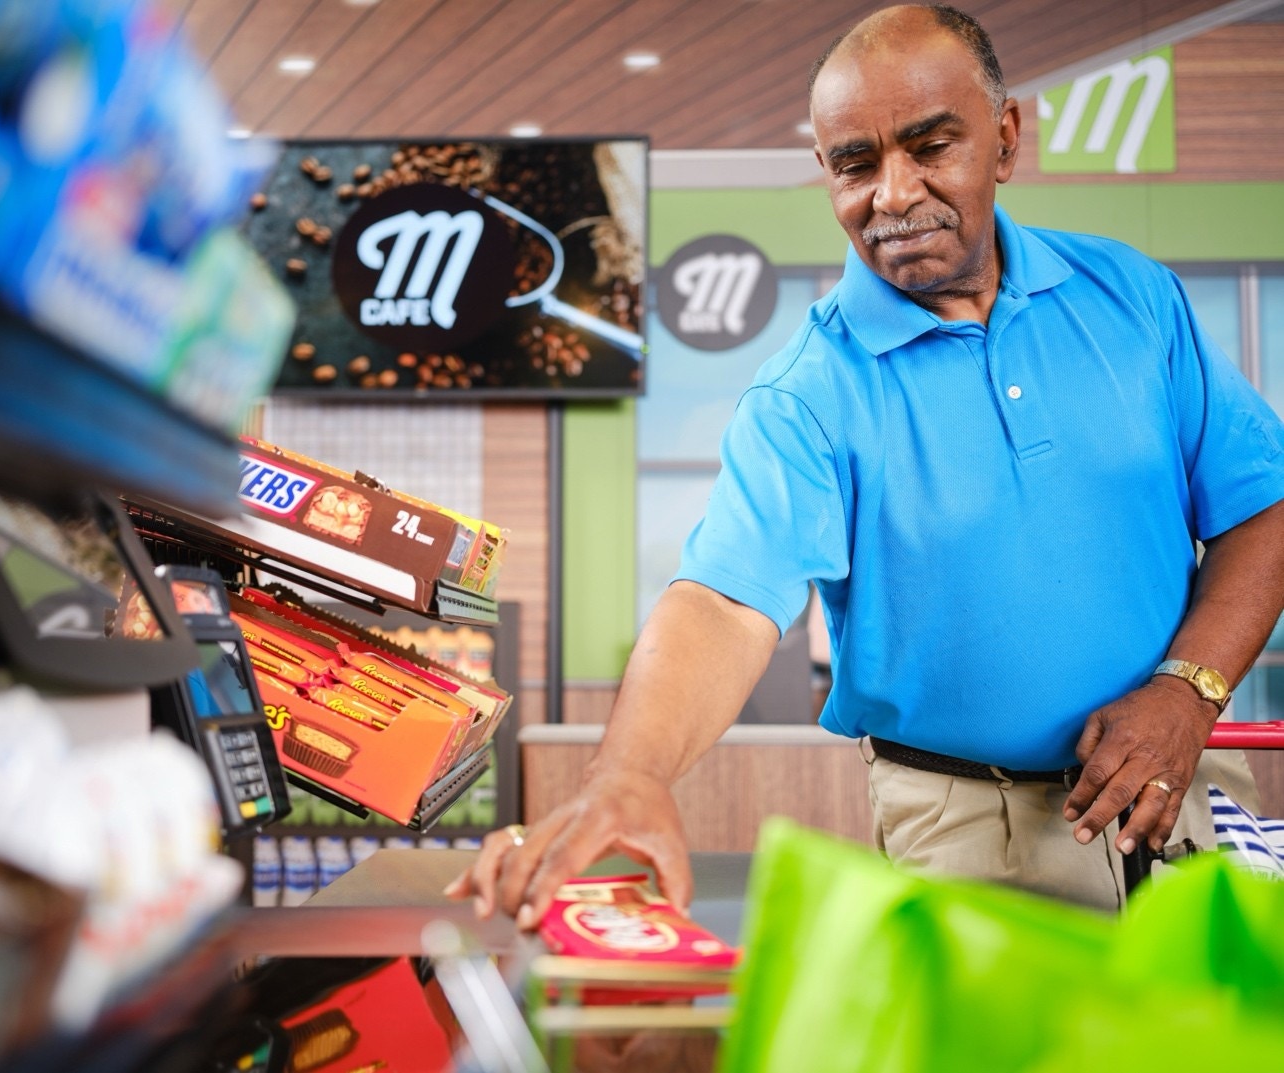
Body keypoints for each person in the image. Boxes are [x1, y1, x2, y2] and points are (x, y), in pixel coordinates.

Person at [447, 3, 1284, 920]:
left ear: (1004, 139)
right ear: (827, 172)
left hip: (1183, 783)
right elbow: (725, 602)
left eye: (931, 146)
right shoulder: (806, 393)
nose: (891, 193)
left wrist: (1188, 689)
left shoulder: (1135, 300)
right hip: (973, 827)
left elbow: (1261, 506)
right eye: (856, 162)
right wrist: (630, 774)